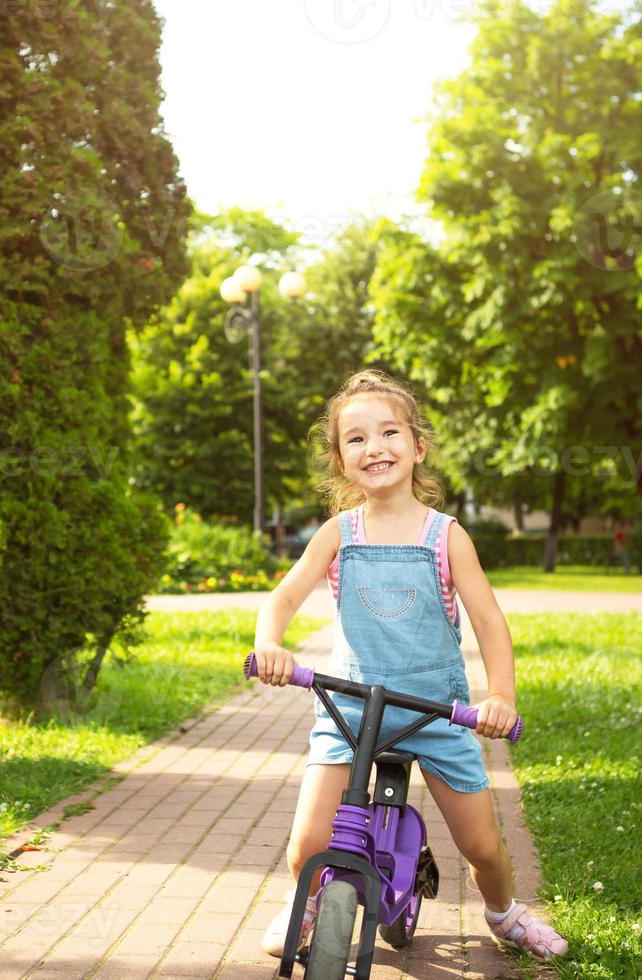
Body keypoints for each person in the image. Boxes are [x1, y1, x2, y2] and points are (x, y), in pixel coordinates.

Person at [250, 369, 568, 962]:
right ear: (340, 460)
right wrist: (272, 642)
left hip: (436, 711)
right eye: (356, 439)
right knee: (307, 846)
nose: (375, 448)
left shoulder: (446, 536)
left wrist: (499, 696)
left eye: (390, 433)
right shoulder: (336, 534)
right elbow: (284, 597)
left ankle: (504, 914)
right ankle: (311, 901)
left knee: (482, 846)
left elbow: (489, 622)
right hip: (351, 710)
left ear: (418, 446)